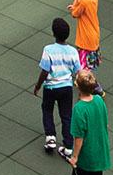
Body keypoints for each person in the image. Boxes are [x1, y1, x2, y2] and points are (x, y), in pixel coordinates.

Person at [65, 69, 113, 175]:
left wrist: (75, 157)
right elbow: (105, 123)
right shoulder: (100, 101)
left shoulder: (79, 109)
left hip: (86, 156)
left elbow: (79, 137)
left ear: (77, 87)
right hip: (99, 153)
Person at [32, 17, 80, 157]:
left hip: (51, 88)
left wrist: (37, 86)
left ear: (53, 33)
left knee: (47, 109)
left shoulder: (48, 49)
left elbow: (45, 70)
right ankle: (68, 146)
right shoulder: (73, 52)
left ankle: (50, 137)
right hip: (66, 88)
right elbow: (78, 71)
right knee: (66, 116)